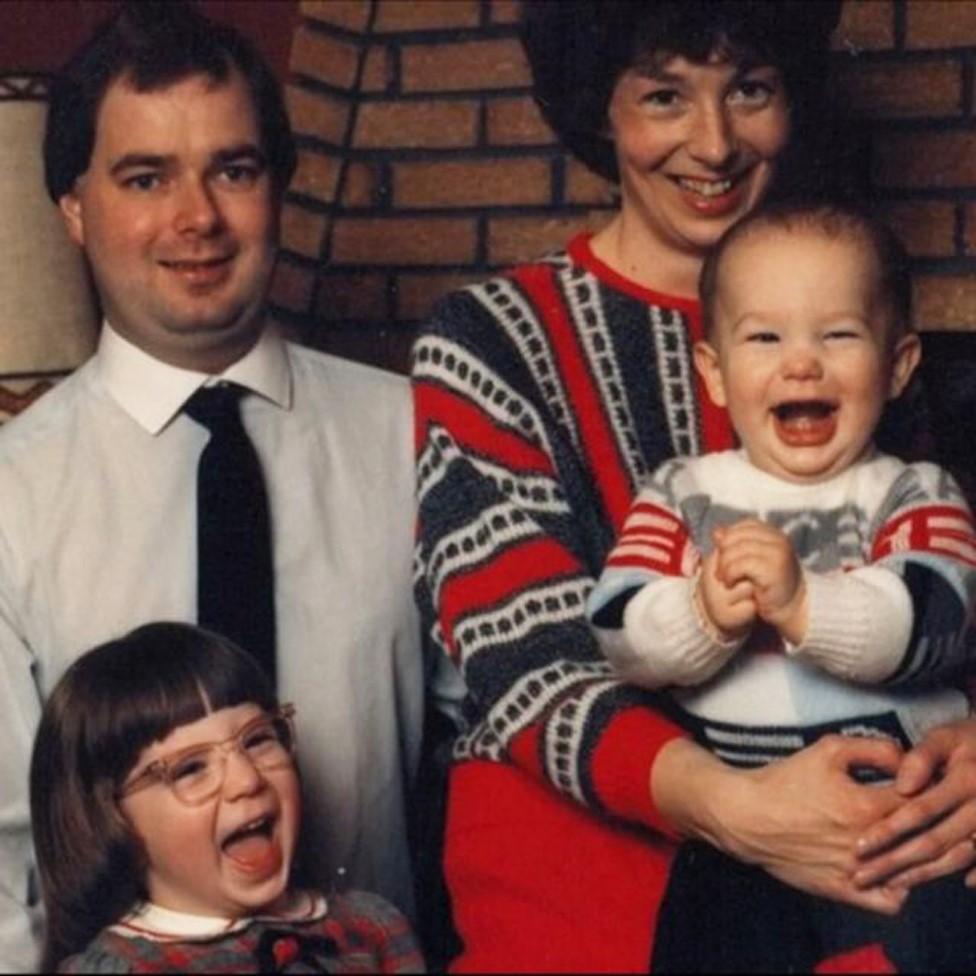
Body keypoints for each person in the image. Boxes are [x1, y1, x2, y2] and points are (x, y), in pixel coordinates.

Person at [412, 2, 976, 971]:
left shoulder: (860, 320)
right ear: (600, 108)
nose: (713, 144)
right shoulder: (489, 336)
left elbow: (938, 580)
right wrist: (740, 812)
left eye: (748, 89)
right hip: (591, 853)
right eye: (665, 95)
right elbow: (527, 657)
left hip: (875, 821)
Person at [0, 4, 458, 970]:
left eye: (234, 170)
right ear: (73, 208)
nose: (197, 218)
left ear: (277, 190)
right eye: (145, 177)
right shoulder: (12, 495)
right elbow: (6, 872)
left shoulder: (420, 435)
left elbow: (496, 757)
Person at [587, 201, 976, 971]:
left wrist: (805, 604)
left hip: (899, 817)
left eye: (838, 335)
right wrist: (700, 615)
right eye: (764, 337)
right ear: (716, 373)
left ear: (897, 367)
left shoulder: (913, 492)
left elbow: (935, 613)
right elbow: (619, 625)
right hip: (743, 825)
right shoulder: (682, 494)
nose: (802, 363)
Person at [29, 622, 425, 974]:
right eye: (190, 769)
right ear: (112, 820)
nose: (246, 779)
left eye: (257, 740)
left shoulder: (370, 928)